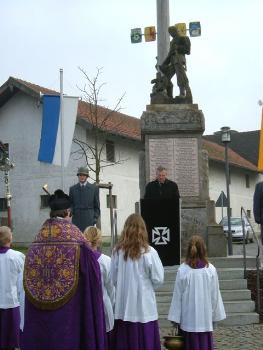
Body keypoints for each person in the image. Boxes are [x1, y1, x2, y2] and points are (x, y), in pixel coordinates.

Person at [21, 189, 107, 350]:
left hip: (39, 317)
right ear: (68, 212)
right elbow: (93, 284)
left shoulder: (34, 244)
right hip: (69, 317)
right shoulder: (79, 243)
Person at [110, 213, 164, 350]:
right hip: (144, 307)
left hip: (124, 306)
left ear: (126, 229)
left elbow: (113, 279)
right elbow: (158, 279)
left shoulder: (117, 252)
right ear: (143, 230)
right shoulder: (149, 252)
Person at [168, 235, 226, 350]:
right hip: (205, 319)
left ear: (189, 250)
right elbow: (215, 297)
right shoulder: (210, 270)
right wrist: (215, 317)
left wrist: (175, 318)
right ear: (203, 249)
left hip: (188, 319)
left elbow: (177, 297)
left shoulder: (183, 270)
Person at [83, 226, 115, 336]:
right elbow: (111, 287)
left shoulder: (78, 261)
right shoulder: (106, 261)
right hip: (103, 305)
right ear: (99, 241)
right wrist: (112, 305)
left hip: (84, 308)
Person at [0, 226, 25, 350]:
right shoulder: (17, 257)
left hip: (9, 303)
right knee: (11, 342)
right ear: (10, 238)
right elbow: (22, 283)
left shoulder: (16, 256)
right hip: (12, 304)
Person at [159, 25, 192, 102]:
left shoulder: (183, 38)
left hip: (179, 59)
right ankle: (163, 92)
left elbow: (188, 50)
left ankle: (183, 93)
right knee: (167, 76)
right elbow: (170, 54)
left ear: (176, 30)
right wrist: (164, 64)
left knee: (180, 76)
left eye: (172, 31)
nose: (171, 34)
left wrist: (178, 47)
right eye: (170, 33)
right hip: (173, 60)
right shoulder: (172, 42)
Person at [69, 166, 100, 232]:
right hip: (76, 220)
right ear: (78, 176)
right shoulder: (72, 189)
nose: (82, 177)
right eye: (80, 175)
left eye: (84, 175)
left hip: (89, 219)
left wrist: (95, 218)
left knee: (88, 240)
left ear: (87, 176)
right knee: (77, 239)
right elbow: (71, 203)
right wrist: (71, 210)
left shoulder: (94, 188)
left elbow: (97, 206)